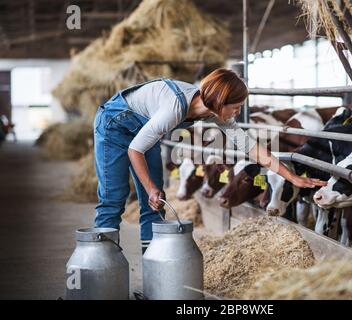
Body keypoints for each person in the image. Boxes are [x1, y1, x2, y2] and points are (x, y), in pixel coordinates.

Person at [93, 68, 327, 253]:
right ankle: (101, 270)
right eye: (235, 107)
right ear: (220, 101)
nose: (237, 112)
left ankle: (155, 273)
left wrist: (292, 177)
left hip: (145, 129)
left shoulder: (215, 111)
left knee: (155, 205)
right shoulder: (174, 108)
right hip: (115, 124)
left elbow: (253, 149)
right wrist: (151, 187)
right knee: (114, 197)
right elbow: (135, 150)